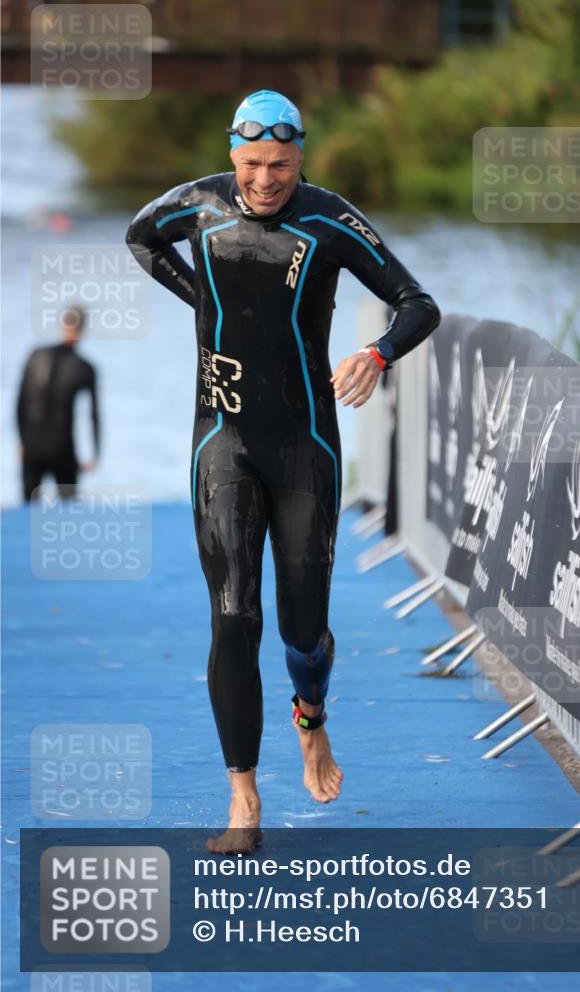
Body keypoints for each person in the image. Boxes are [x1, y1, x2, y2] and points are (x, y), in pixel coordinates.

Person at [126, 89, 440, 853]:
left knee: (304, 631)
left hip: (306, 448)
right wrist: (196, 293)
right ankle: (243, 801)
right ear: (232, 157)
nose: (266, 180)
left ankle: (312, 723)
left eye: (281, 164)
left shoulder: (328, 219)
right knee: (233, 618)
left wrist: (375, 354)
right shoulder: (193, 207)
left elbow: (416, 304)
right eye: (252, 165)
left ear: (301, 156)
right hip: (222, 443)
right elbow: (139, 238)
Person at [16, 306, 99, 502]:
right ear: (83, 329)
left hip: (32, 445)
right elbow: (93, 415)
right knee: (68, 514)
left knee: (28, 511)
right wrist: (94, 454)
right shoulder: (84, 367)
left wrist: (22, 441)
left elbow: (20, 403)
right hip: (62, 448)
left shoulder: (36, 355)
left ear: (62, 324)